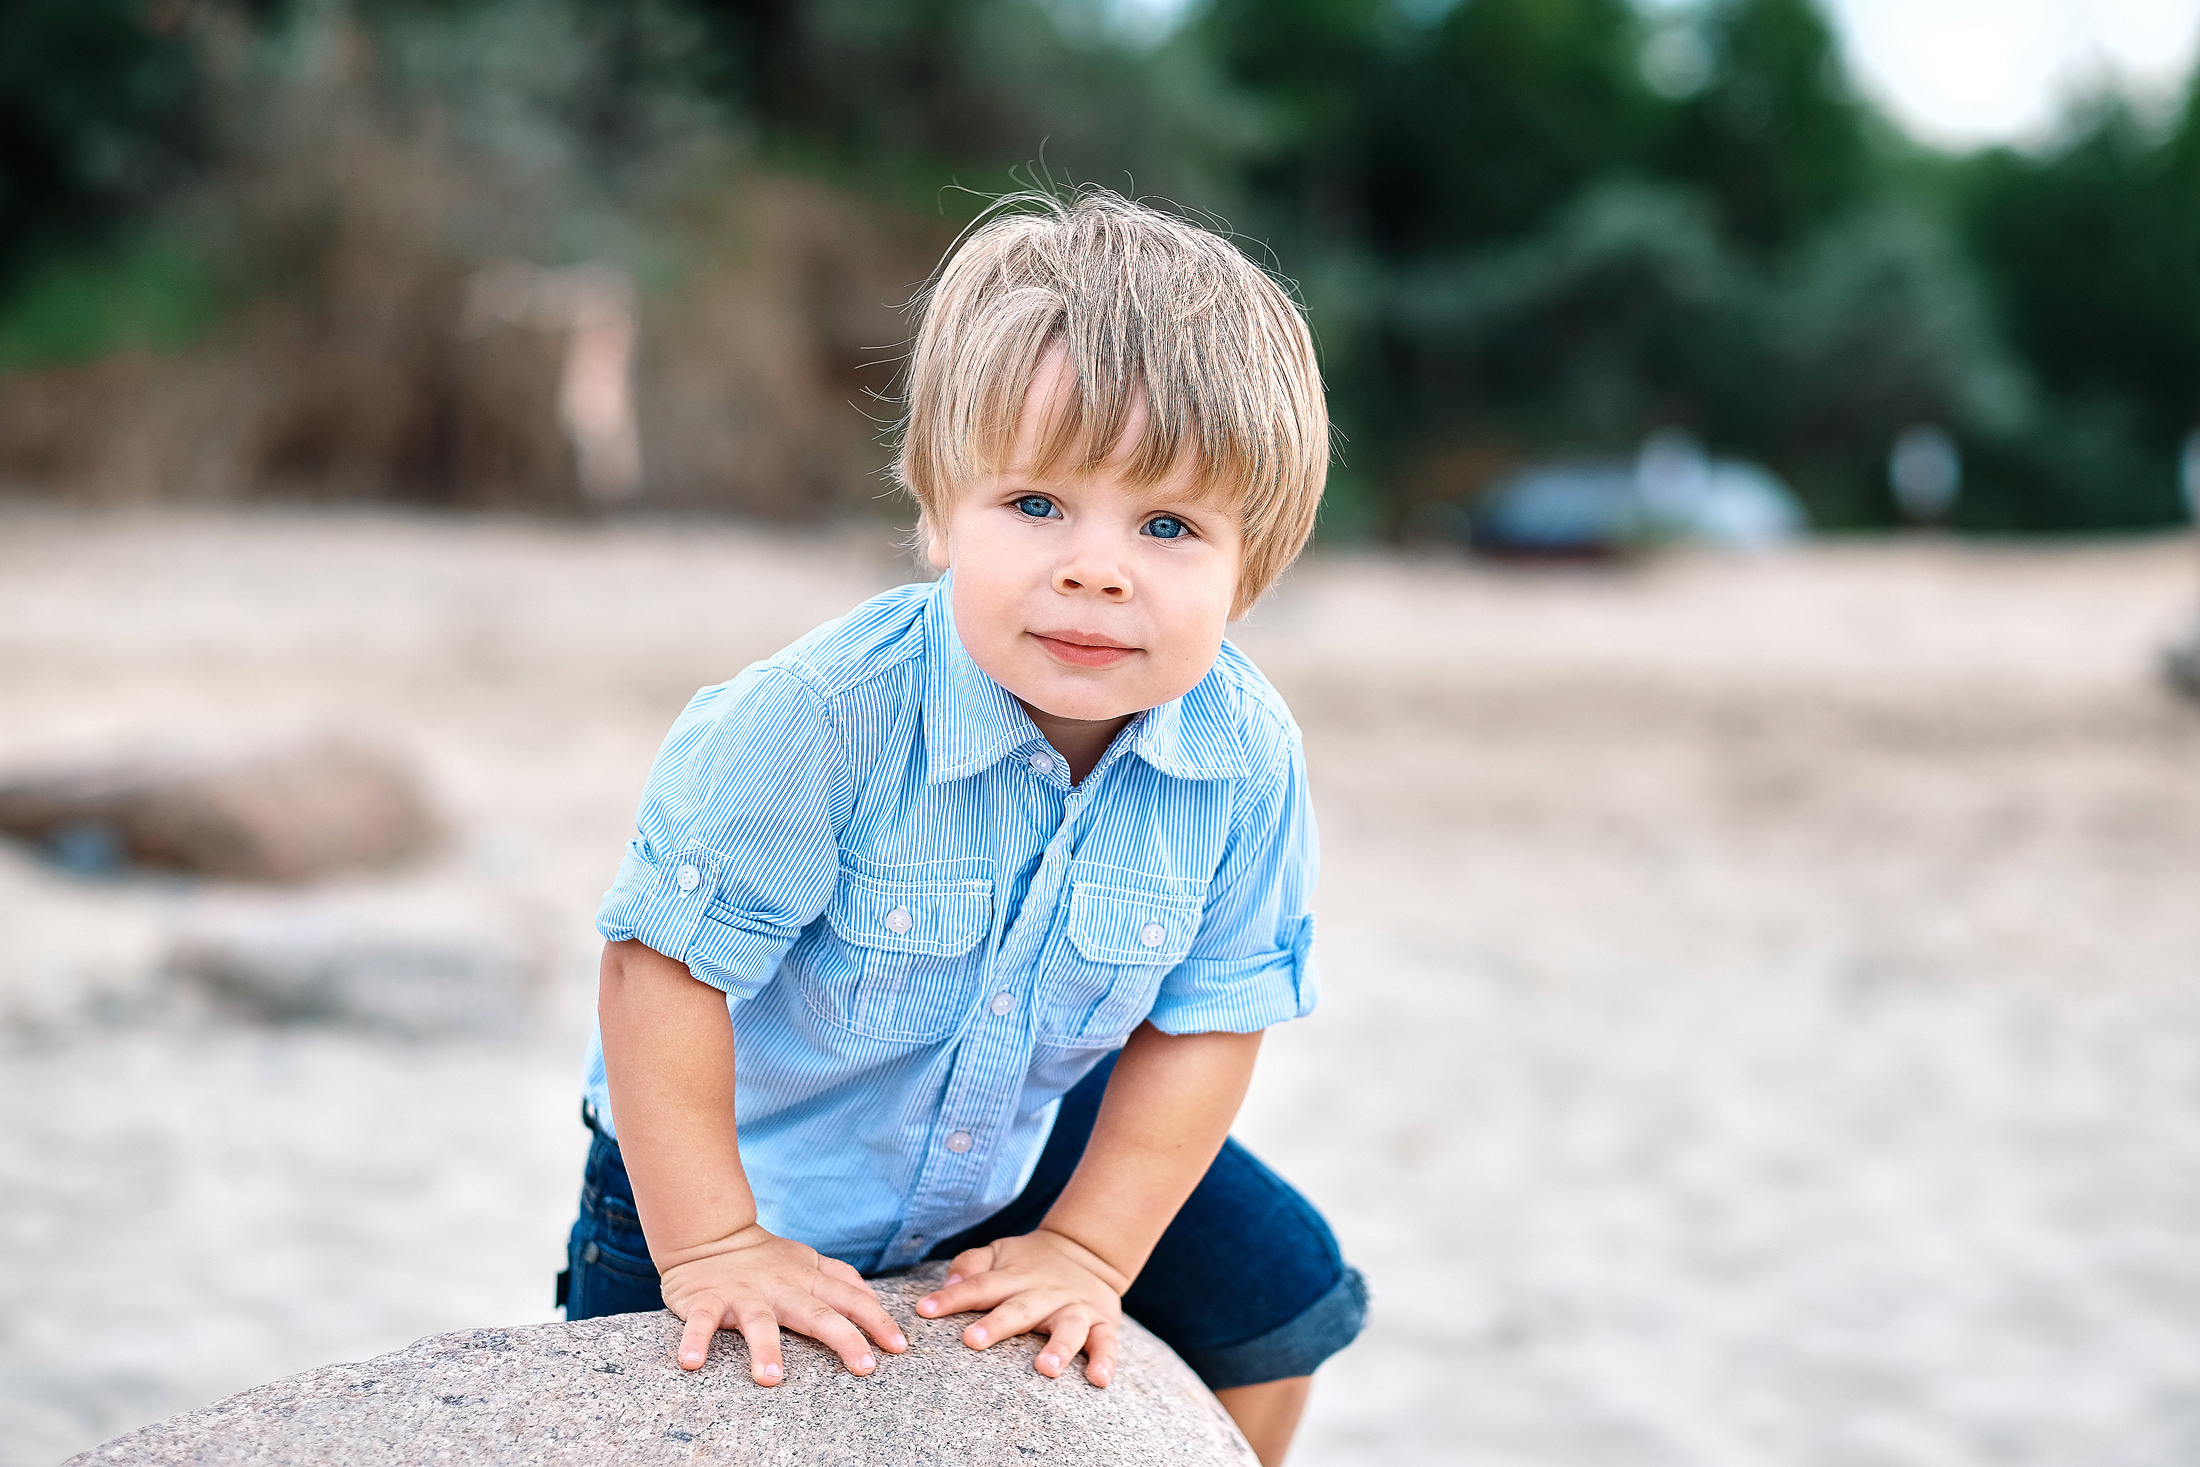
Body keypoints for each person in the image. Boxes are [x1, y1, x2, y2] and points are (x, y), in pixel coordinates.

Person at [559, 188, 1364, 1465]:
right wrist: (711, 1240)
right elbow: (658, 968)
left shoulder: (1243, 758)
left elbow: (1211, 1016)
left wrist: (1088, 1250)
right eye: (1036, 505)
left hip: (1013, 1140)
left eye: (1167, 527)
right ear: (940, 510)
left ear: (1248, 566)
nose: (1097, 569)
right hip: (751, 1159)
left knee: (1287, 1291)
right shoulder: (824, 718)